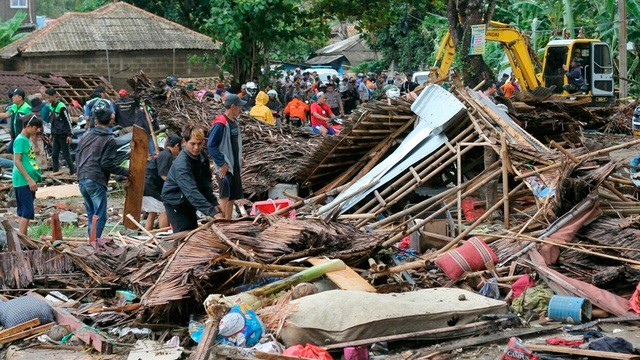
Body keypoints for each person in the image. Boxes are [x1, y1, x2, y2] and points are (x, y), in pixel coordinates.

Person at [76, 107, 129, 238]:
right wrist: (126, 171)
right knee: (99, 216)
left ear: (95, 121)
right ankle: (94, 244)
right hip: (95, 179)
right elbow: (106, 164)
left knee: (91, 215)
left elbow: (77, 156)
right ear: (111, 121)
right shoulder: (109, 139)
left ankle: (91, 243)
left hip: (82, 178)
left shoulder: (85, 135)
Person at [161, 126, 220, 231]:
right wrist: (212, 212)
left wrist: (214, 203)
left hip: (187, 200)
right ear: (184, 142)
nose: (196, 147)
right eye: (192, 144)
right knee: (183, 233)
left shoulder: (202, 156)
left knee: (192, 230)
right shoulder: (182, 165)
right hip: (175, 201)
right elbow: (191, 191)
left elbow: (206, 183)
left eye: (199, 143)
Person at [208, 94, 245, 220]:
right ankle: (221, 223)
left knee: (232, 196)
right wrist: (222, 163)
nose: (241, 110)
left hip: (234, 165)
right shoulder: (220, 123)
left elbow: (236, 143)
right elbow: (211, 145)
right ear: (233, 106)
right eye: (239, 107)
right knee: (224, 195)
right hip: (225, 166)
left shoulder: (234, 122)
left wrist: (240, 158)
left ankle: (228, 221)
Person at [142, 135, 181, 231]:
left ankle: (148, 234)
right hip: (151, 187)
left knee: (152, 212)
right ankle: (164, 233)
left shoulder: (163, 154)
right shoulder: (167, 155)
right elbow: (163, 175)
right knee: (165, 208)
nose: (179, 152)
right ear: (176, 145)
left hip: (146, 186)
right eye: (179, 148)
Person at [12, 115, 43, 236]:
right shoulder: (20, 140)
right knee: (27, 212)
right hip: (23, 180)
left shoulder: (25, 139)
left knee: (24, 212)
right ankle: (21, 241)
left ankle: (24, 240)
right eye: (35, 128)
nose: (37, 131)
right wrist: (29, 179)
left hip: (26, 180)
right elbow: (17, 161)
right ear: (28, 126)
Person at [44, 88, 75, 175]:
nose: (48, 100)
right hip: (56, 134)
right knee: (54, 155)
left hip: (63, 134)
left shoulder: (61, 106)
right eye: (46, 98)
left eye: (49, 97)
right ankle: (55, 172)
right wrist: (51, 133)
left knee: (66, 155)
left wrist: (69, 134)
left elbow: (68, 120)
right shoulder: (51, 106)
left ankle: (73, 172)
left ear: (54, 96)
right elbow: (52, 121)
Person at [0, 88, 31, 153]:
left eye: (14, 96)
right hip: (15, 135)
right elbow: (6, 115)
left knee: (18, 153)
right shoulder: (14, 106)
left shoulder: (27, 108)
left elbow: (30, 124)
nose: (12, 98)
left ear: (20, 98)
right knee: (10, 150)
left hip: (22, 137)